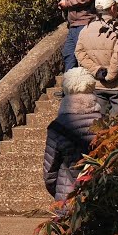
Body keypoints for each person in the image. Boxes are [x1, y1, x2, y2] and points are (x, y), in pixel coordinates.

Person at [43, 67, 103, 202]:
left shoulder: (56, 127)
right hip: (99, 196)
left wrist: (59, 193)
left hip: (67, 195)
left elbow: (49, 171)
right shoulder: (104, 123)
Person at [74, 0, 118, 117]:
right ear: (112, 8)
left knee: (99, 122)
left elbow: (79, 53)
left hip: (97, 83)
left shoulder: (85, 30)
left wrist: (96, 71)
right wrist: (110, 75)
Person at [57, 0, 97, 71]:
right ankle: (68, 87)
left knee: (80, 56)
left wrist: (67, 3)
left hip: (83, 22)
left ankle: (78, 87)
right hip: (76, 23)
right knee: (69, 55)